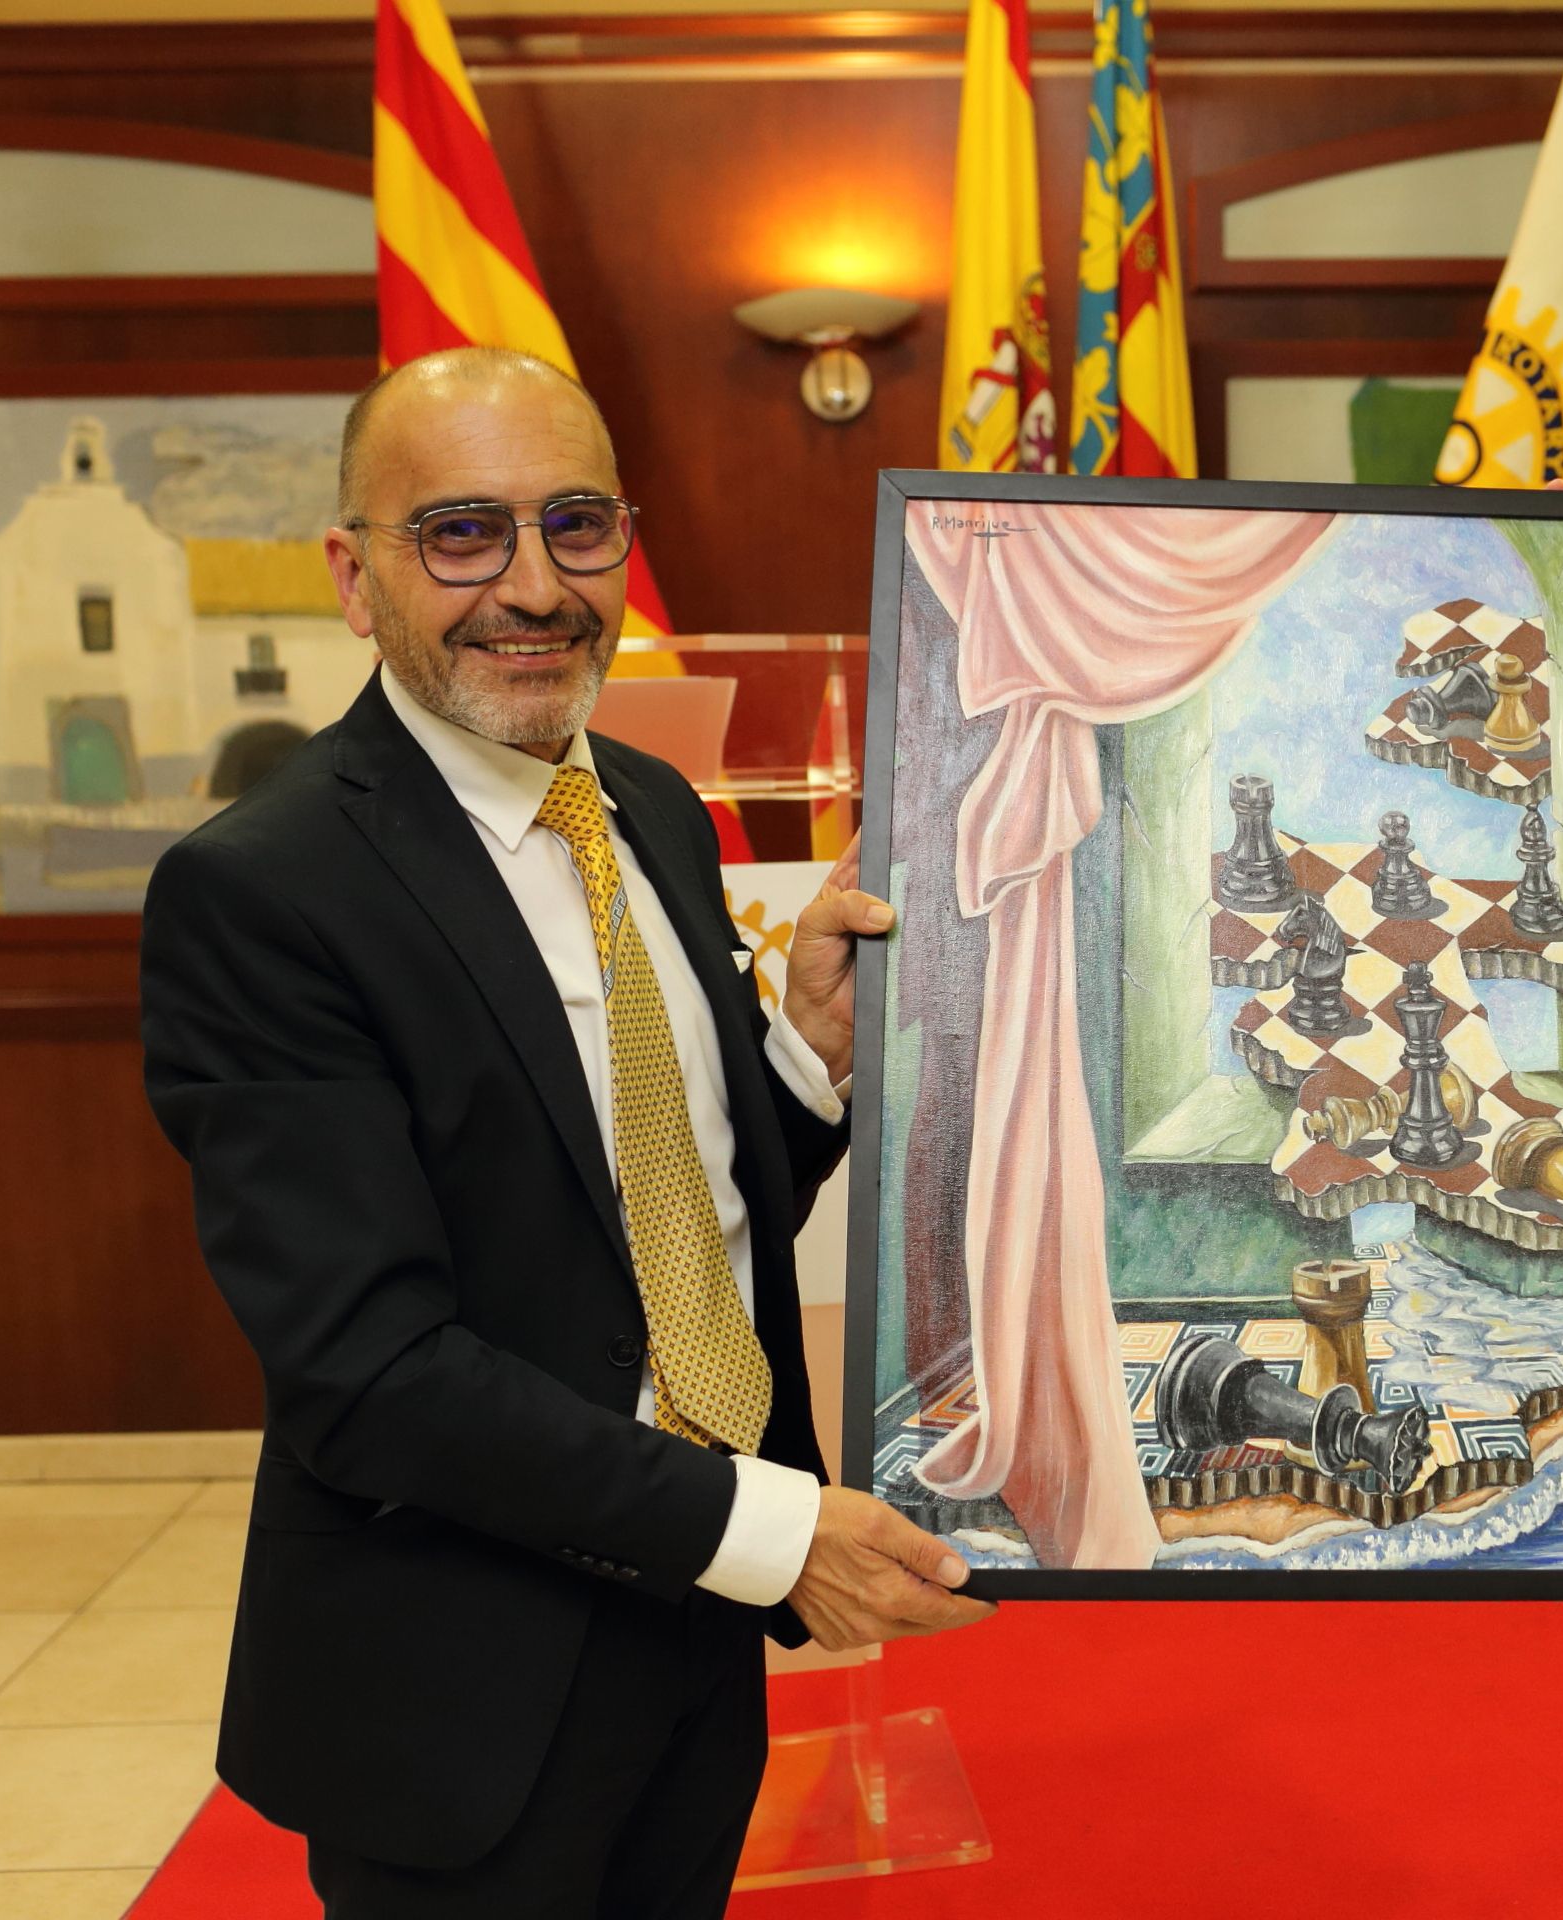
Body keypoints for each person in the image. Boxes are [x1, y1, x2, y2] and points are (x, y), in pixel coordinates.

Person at [140, 346, 992, 1919]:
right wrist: (767, 1530)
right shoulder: (263, 894)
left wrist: (805, 1062)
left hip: (696, 1635)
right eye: (462, 533)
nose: (534, 587)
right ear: (354, 576)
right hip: (462, 1680)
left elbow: (661, 1206)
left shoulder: (652, 808)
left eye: (576, 525)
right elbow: (369, 1372)